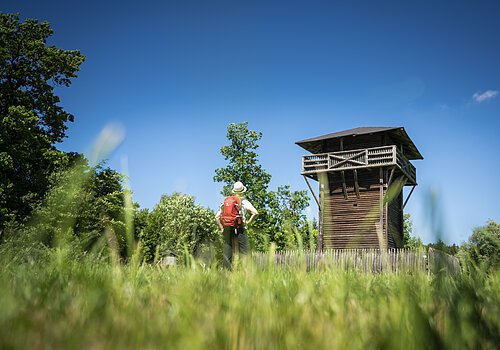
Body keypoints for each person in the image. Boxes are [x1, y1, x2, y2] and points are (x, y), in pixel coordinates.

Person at [215, 181, 258, 268]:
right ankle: (246, 273)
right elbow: (255, 213)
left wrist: (222, 228)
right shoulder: (244, 201)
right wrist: (248, 223)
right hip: (240, 227)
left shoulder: (226, 201)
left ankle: (226, 274)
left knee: (227, 252)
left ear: (234, 191)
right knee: (244, 252)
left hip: (227, 228)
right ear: (242, 191)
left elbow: (216, 217)